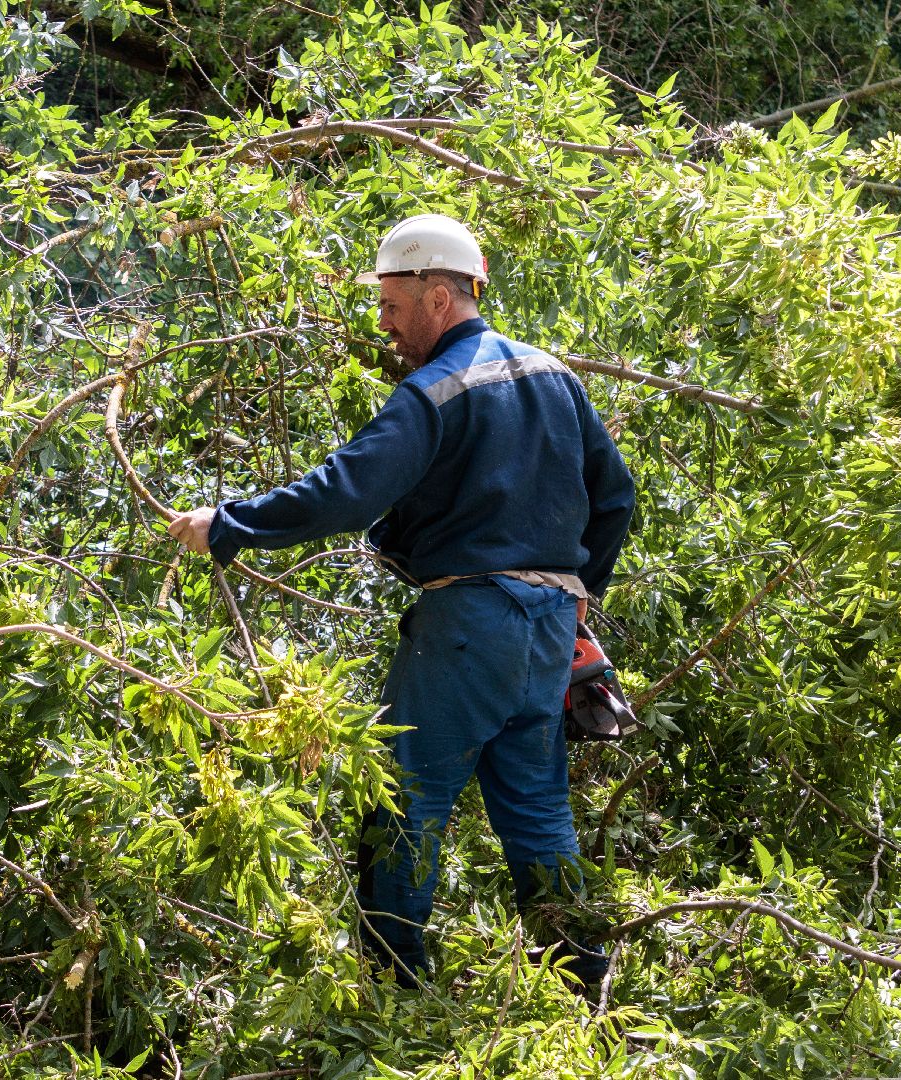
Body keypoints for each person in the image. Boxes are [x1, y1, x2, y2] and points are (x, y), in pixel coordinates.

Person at [166, 213, 635, 988]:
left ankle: (395, 984)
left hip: (468, 627)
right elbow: (614, 499)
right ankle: (582, 985)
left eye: (390, 303)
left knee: (403, 799)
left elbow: (346, 493)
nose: (383, 323)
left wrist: (229, 524)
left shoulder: (435, 391)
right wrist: (580, 593)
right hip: (550, 630)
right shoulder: (557, 377)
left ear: (439, 297)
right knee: (539, 813)